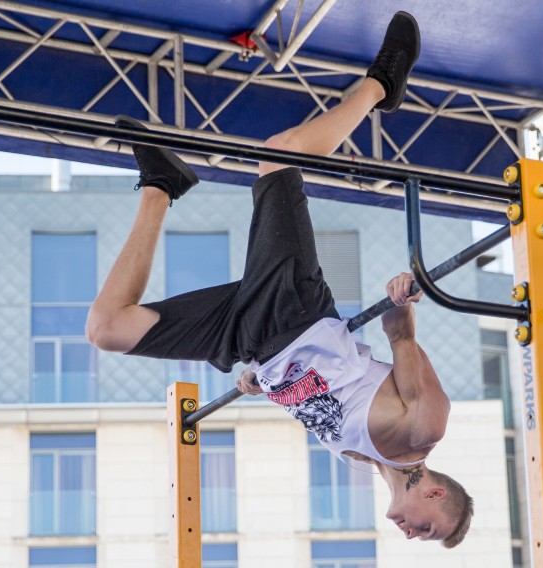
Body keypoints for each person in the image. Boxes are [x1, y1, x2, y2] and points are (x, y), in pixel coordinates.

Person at [85, 11, 473, 547]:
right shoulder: (423, 430)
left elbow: (320, 390)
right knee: (277, 159)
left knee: (107, 328)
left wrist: (266, 384)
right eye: (427, 530)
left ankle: (160, 184)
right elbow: (401, 337)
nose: (411, 535)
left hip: (253, 344)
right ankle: (381, 86)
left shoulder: (360, 459)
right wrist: (400, 296)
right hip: (294, 312)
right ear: (434, 496)